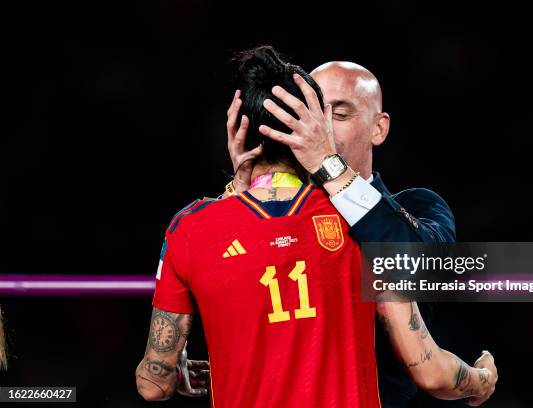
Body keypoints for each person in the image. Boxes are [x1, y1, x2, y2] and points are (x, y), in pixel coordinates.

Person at [136, 46, 496, 407]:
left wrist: (327, 164)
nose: (317, 126)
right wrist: (240, 193)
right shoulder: (263, 219)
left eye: (337, 113)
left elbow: (419, 265)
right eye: (308, 111)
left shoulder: (406, 210)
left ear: (379, 127)